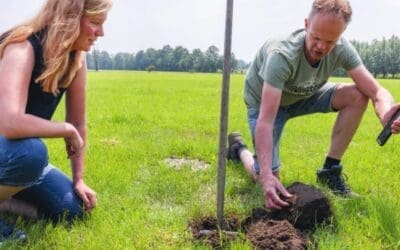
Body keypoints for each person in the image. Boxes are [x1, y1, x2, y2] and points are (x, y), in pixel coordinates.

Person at [227, 0, 400, 210]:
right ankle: (239, 150)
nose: (321, 46)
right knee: (267, 177)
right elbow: (265, 120)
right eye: (316, 38)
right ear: (307, 24)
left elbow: (376, 91)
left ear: (341, 34)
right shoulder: (282, 55)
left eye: (330, 41)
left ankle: (330, 171)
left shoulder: (342, 49)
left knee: (358, 94)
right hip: (266, 103)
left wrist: (385, 113)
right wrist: (266, 175)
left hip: (304, 94)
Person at [0, 0, 112, 243]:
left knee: (71, 209)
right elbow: (9, 122)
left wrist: (79, 179)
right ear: (71, 18)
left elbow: (78, 123)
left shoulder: (75, 60)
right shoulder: (23, 45)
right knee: (32, 153)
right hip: (12, 151)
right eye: (95, 23)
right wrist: (65, 129)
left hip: (13, 156)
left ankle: (5, 203)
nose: (101, 33)